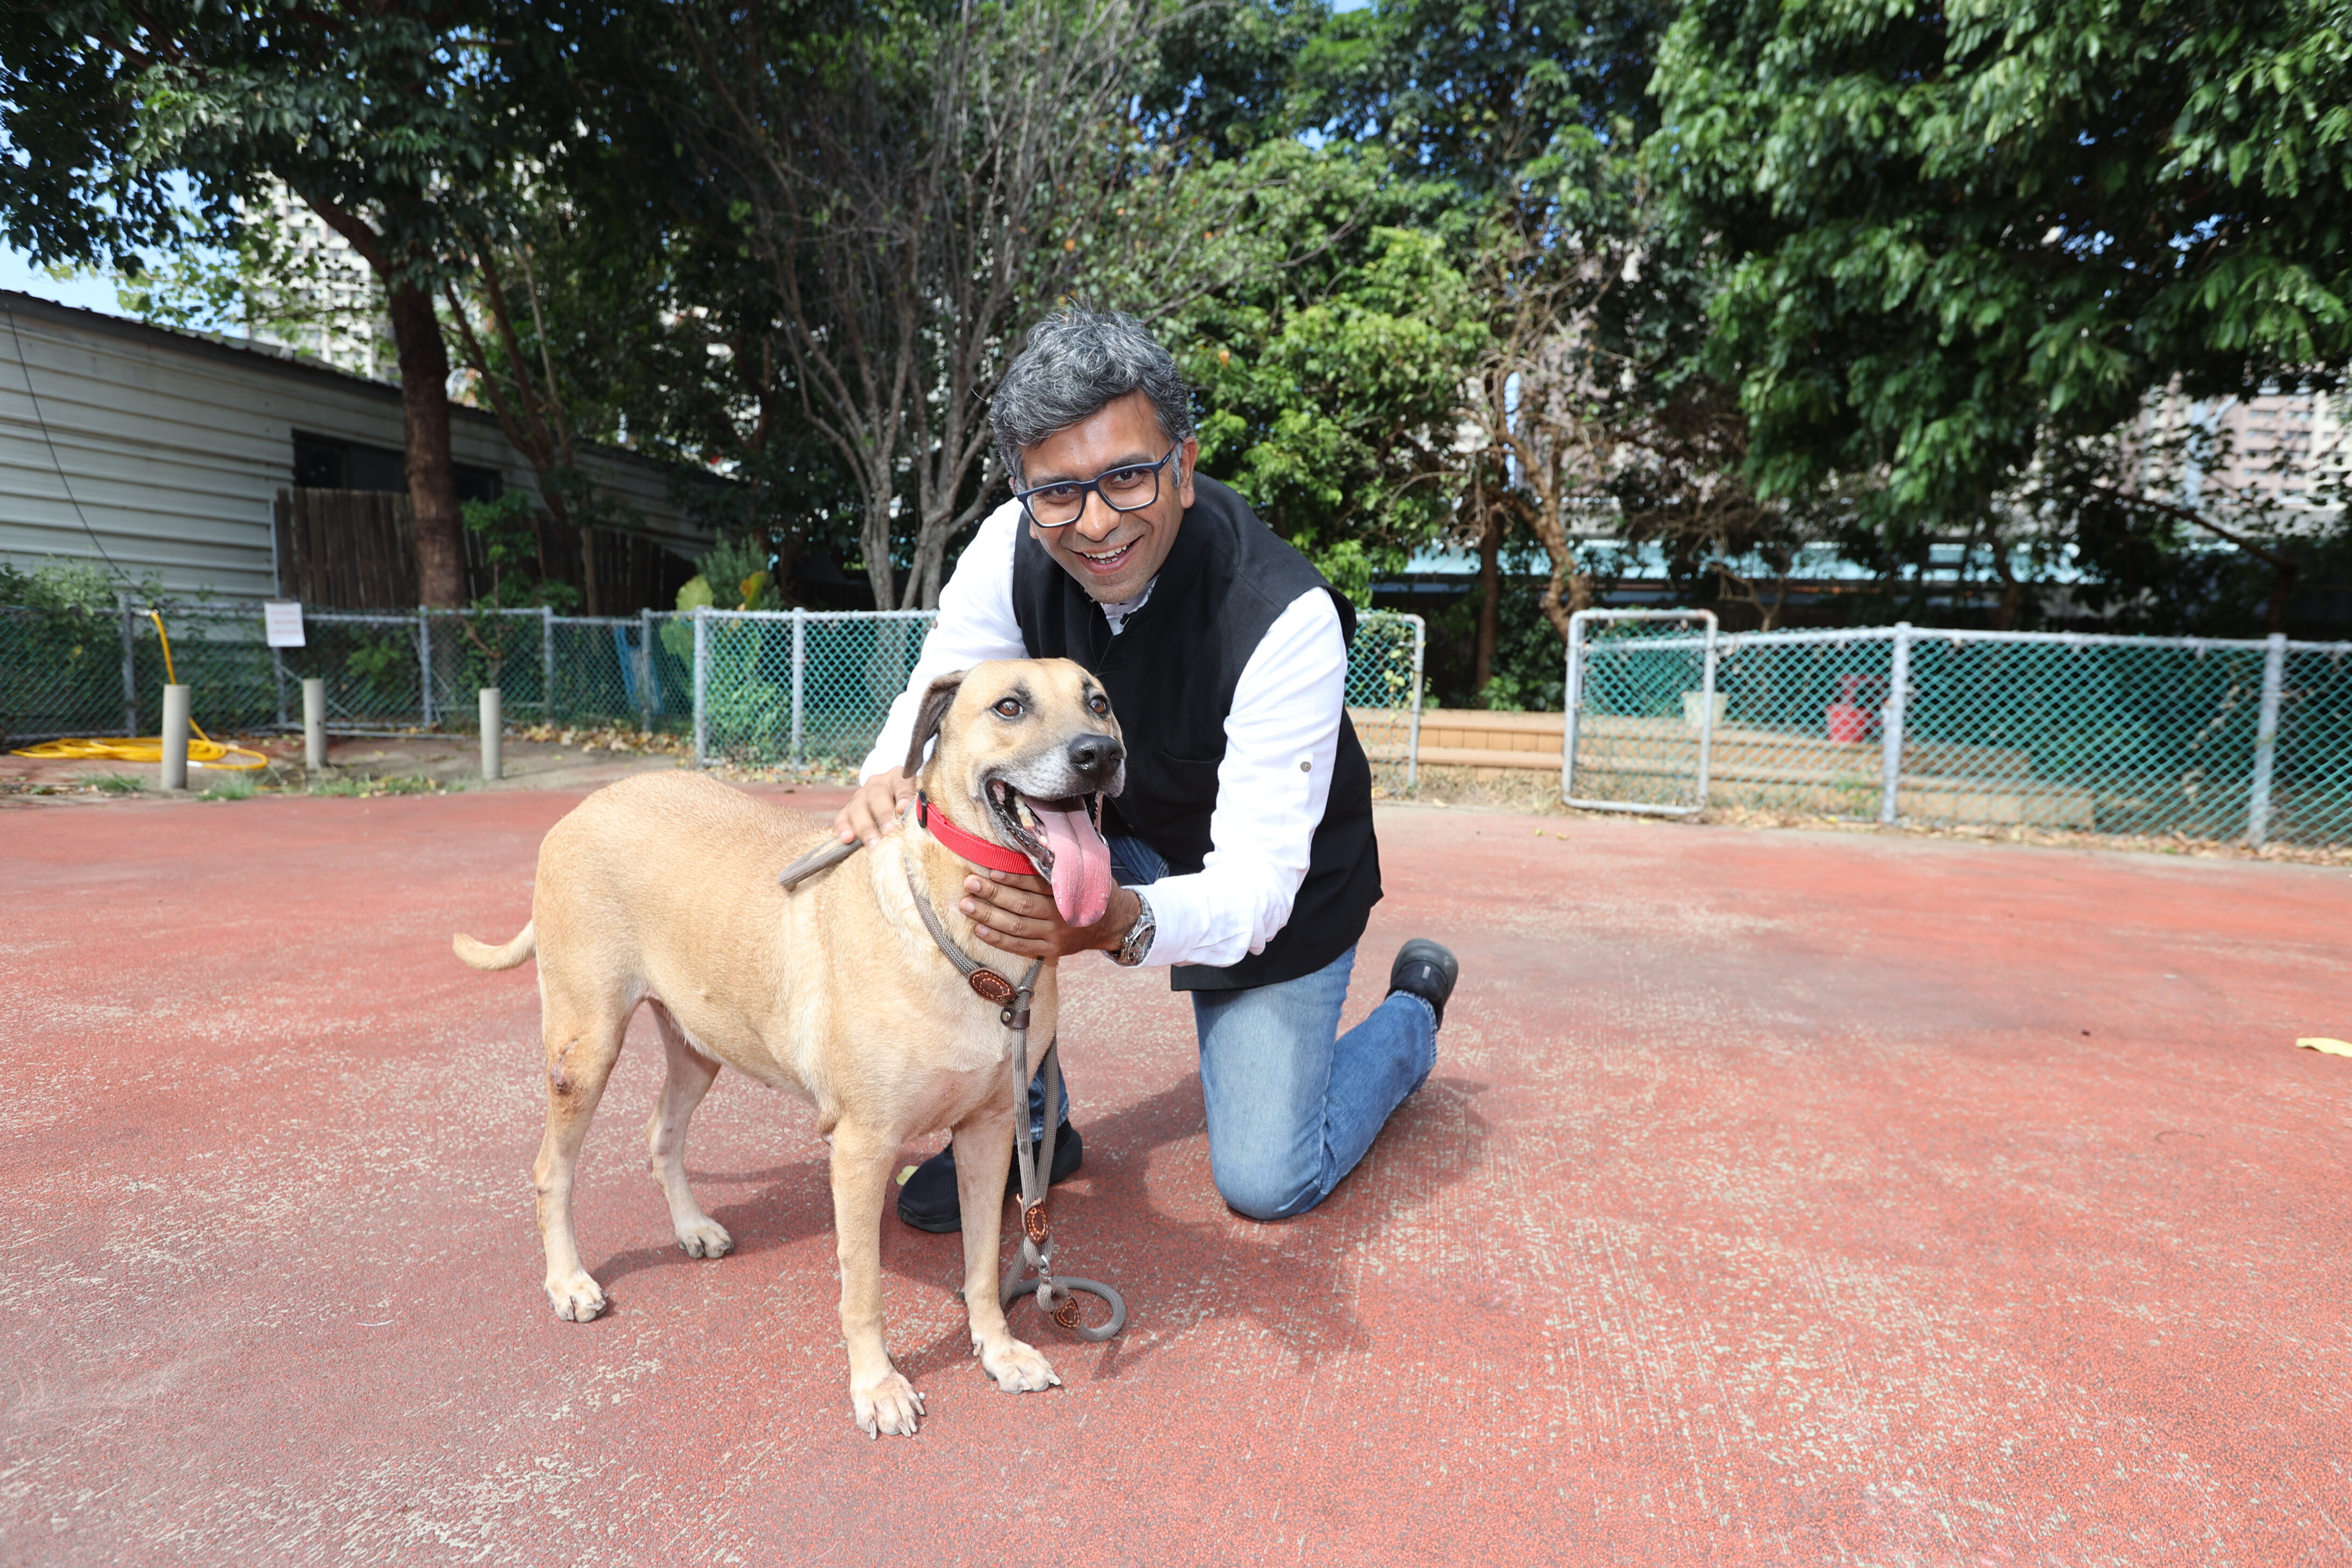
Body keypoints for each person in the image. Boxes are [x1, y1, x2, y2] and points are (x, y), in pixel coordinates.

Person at [835, 309, 1458, 1229]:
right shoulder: (1010, 544)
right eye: (1057, 492)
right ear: (1021, 491)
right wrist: (888, 772)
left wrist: (1116, 923)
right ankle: (1029, 1128)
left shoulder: (1282, 615)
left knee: (1267, 1182)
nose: (1094, 523)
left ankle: (1410, 1021)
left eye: (1127, 476)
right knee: (953, 848)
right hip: (1102, 829)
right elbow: (947, 679)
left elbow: (1254, 886)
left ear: (1184, 463)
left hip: (1279, 885)